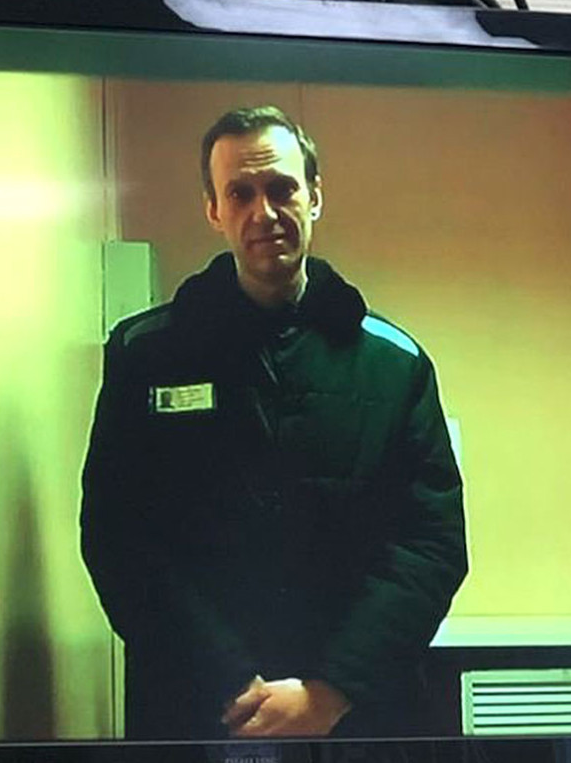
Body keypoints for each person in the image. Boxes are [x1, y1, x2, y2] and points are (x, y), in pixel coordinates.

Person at [80, 105, 467, 740]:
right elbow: (117, 537)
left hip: (357, 720)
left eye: (282, 188)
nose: (264, 212)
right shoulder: (145, 355)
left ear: (314, 196)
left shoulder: (396, 366)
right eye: (240, 193)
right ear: (214, 210)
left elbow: (431, 544)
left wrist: (329, 693)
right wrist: (231, 685)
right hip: (197, 715)